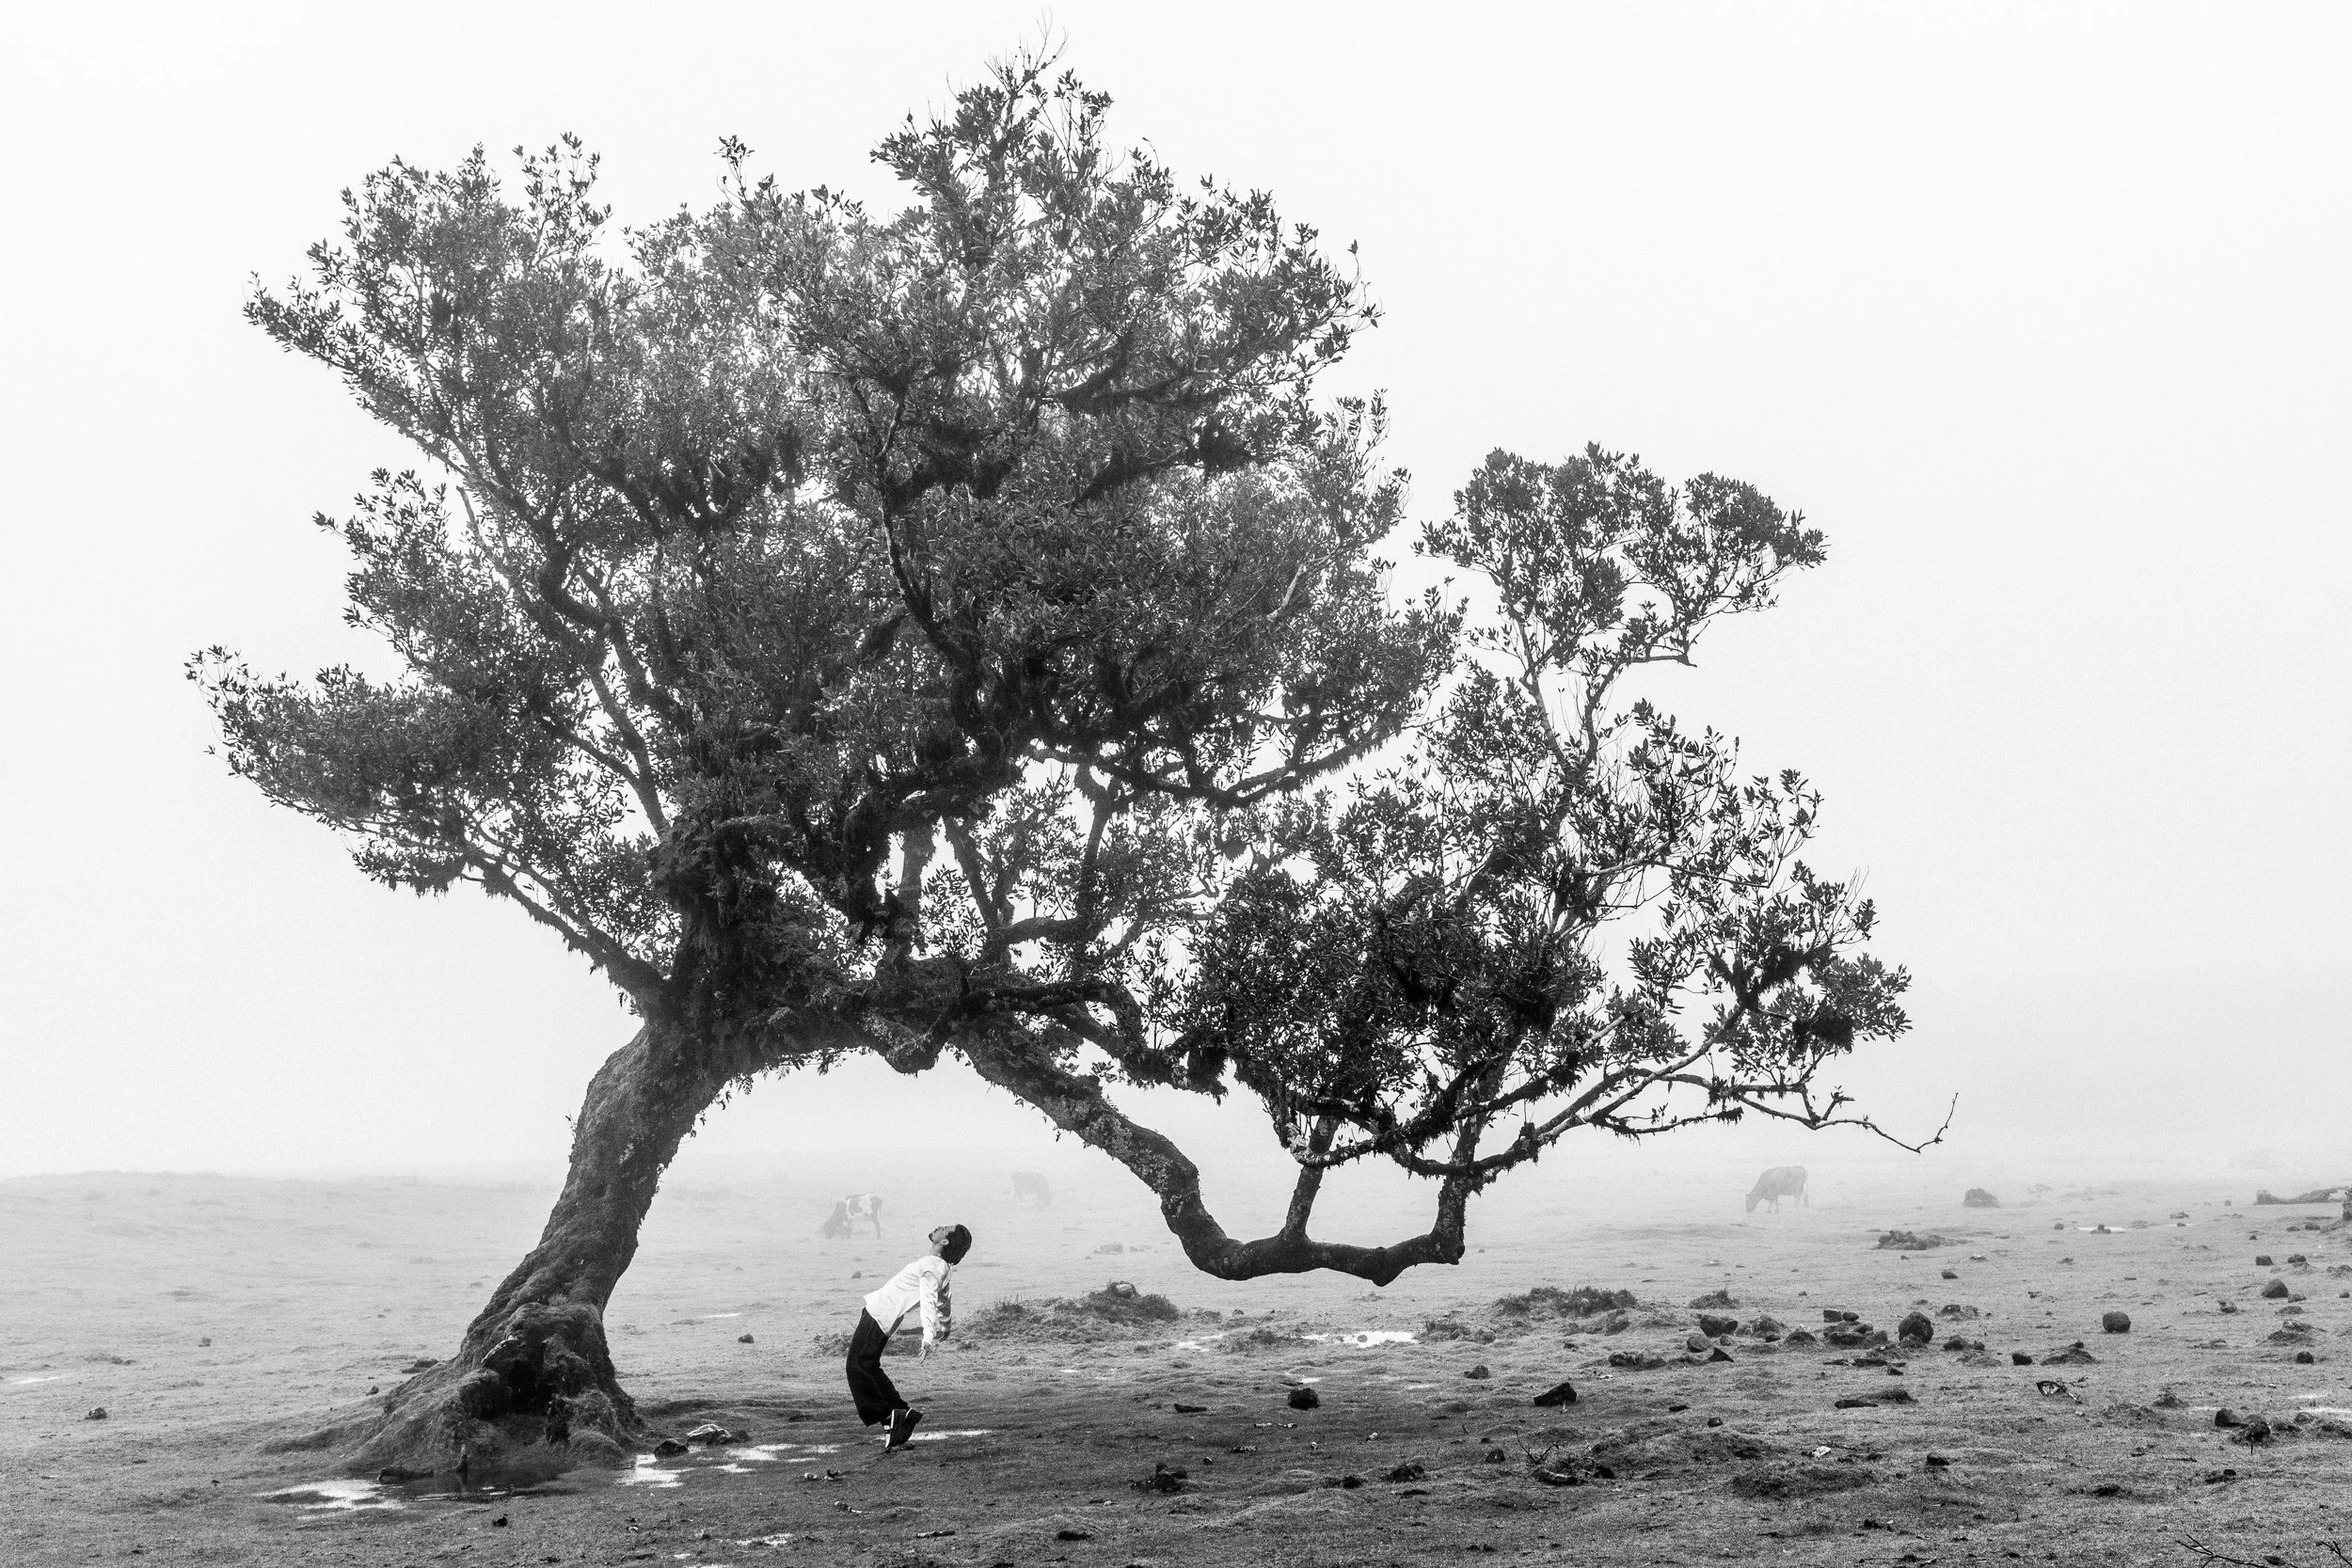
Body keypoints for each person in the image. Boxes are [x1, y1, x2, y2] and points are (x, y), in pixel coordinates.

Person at [845, 1222, 971, 1449]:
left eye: (946, 1228)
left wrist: (929, 1335)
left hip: (880, 1315)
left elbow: (930, 1301)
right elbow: (945, 1301)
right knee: (868, 1366)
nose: (940, 1225)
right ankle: (902, 1413)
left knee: (856, 1367)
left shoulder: (933, 1267)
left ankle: (888, 1416)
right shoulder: (939, 1266)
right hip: (880, 1313)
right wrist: (946, 1326)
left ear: (944, 1241)